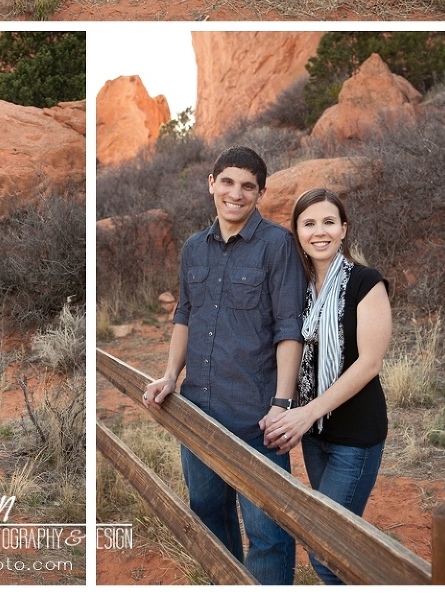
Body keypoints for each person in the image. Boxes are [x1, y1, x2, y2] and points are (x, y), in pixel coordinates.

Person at [143, 147, 306, 585]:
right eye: (228, 182)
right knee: (208, 513)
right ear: (211, 183)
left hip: (257, 417)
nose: (237, 193)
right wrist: (170, 375)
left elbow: (289, 327)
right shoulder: (194, 247)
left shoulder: (277, 245)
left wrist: (282, 403)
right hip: (199, 410)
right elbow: (185, 314)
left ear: (261, 193)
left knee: (267, 530)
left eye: (248, 186)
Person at [263, 188, 392, 585]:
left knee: (326, 552)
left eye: (328, 222)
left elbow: (370, 363)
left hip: (355, 435)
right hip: (315, 436)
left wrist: (306, 413)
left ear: (343, 229)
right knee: (337, 541)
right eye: (309, 223)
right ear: (297, 232)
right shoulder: (298, 288)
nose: (319, 232)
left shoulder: (366, 282)